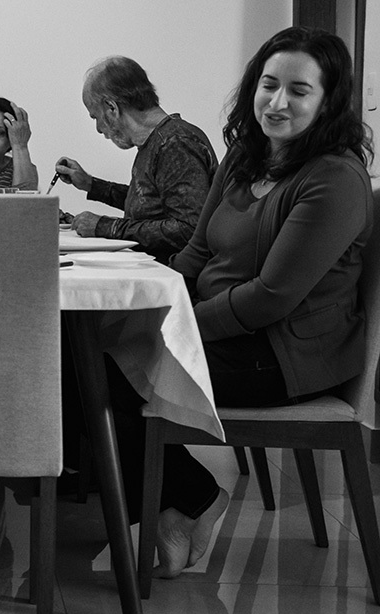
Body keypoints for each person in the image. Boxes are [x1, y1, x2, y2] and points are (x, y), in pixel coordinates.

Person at [110, 27, 373, 578]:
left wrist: (172, 323)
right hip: (227, 333)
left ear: (328, 101)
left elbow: (270, 300)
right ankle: (166, 502)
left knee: (107, 367)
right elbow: (195, 253)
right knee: (86, 346)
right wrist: (157, 301)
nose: (277, 102)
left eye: (298, 91)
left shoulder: (334, 179)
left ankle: (185, 504)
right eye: (268, 85)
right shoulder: (245, 158)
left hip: (283, 354)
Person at [54, 56, 218, 263]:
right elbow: (150, 208)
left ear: (112, 108)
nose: (98, 129)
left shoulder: (175, 143)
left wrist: (105, 227)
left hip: (177, 283)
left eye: (95, 117)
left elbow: (188, 228)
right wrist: (91, 185)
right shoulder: (159, 141)